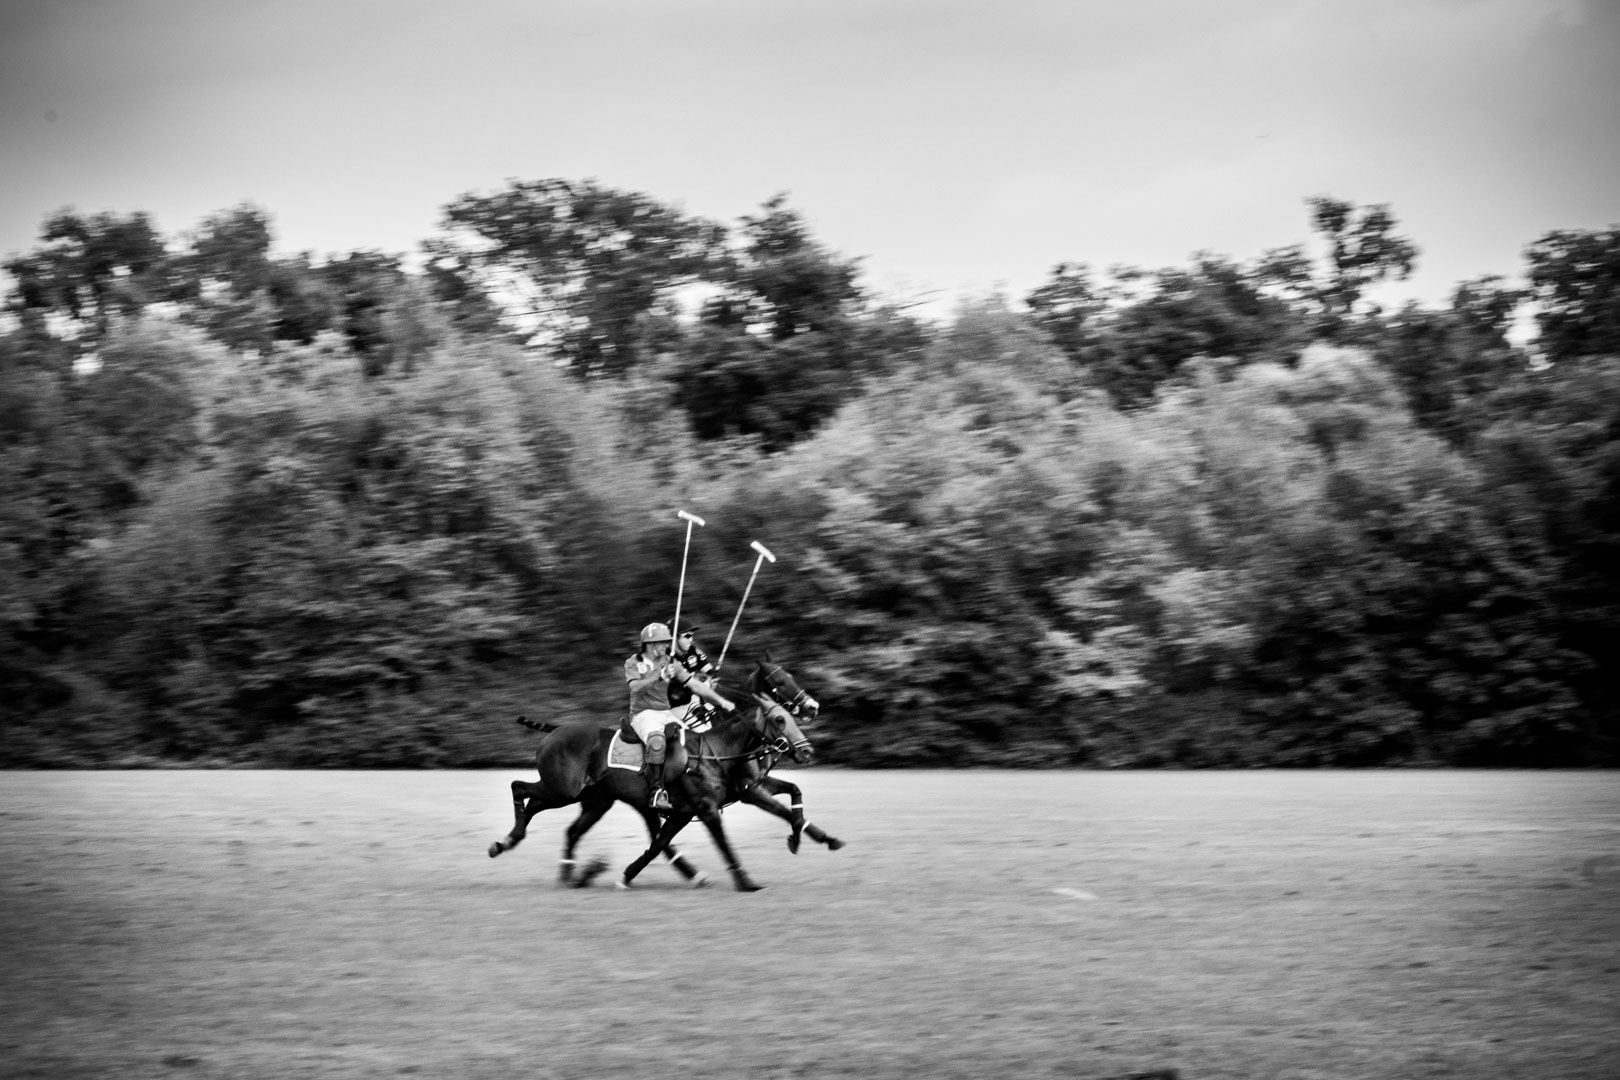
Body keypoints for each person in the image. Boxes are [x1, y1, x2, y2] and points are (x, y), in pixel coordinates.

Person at [624, 622, 735, 811]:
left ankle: (694, 789)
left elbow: (695, 685)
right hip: (643, 713)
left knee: (692, 741)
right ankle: (656, 792)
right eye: (662, 643)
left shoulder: (670, 662)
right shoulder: (633, 662)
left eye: (668, 642)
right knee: (657, 741)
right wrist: (659, 676)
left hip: (665, 713)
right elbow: (635, 687)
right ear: (650, 644)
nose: (666, 646)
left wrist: (720, 700)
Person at [668, 625, 718, 727]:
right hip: (672, 706)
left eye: (692, 636)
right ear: (675, 638)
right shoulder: (666, 657)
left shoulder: (693, 650)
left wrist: (710, 680)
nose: (691, 640)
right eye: (687, 636)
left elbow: (708, 670)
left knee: (718, 718)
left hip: (692, 700)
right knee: (703, 730)